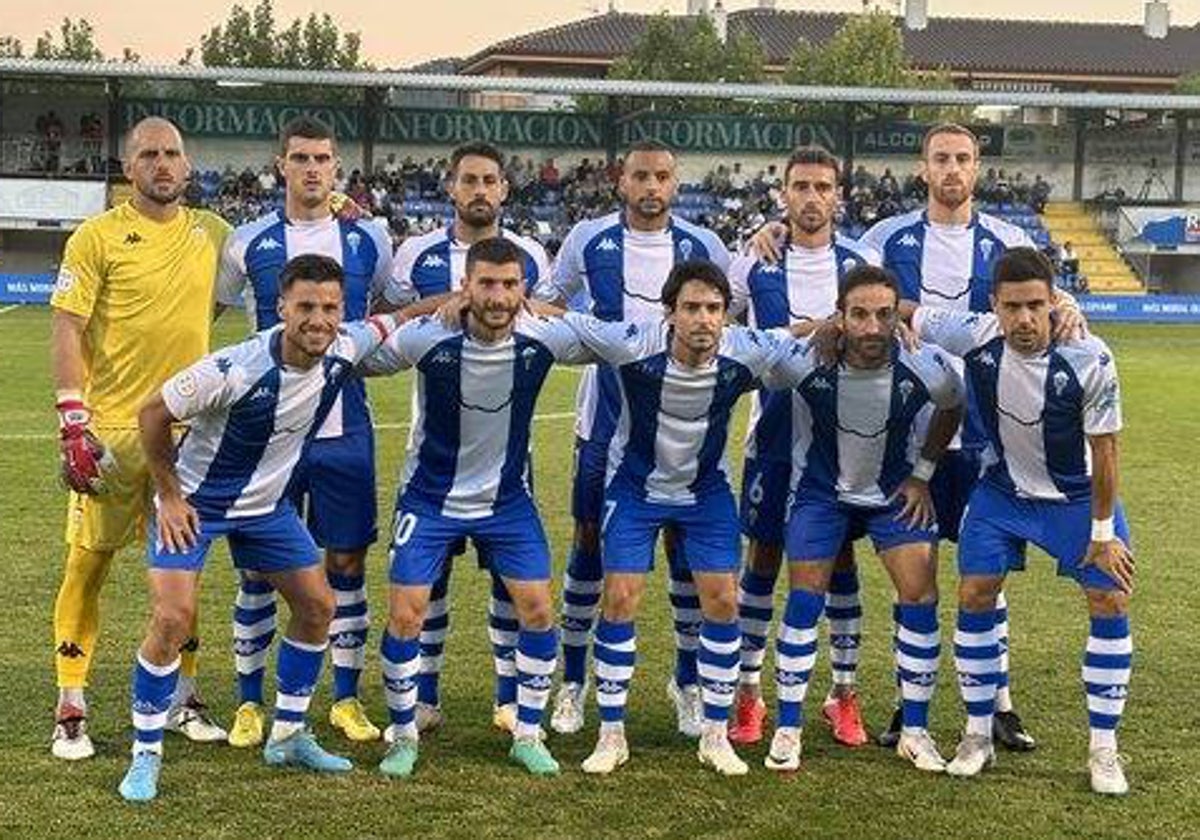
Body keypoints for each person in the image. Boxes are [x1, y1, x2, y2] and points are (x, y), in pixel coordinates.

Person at [756, 123, 1043, 750]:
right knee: (911, 574)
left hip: (983, 431)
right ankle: (901, 711)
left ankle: (998, 703)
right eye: (941, 158)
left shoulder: (1008, 239)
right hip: (899, 435)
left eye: (963, 159)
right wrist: (774, 229)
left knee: (981, 573)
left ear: (978, 168)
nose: (952, 169)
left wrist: (1068, 307)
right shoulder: (883, 240)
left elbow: (1042, 299)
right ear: (923, 168)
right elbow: (825, 256)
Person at [117, 254, 399, 802]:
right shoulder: (235, 368)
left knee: (318, 607)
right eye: (306, 307)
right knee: (172, 618)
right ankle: (145, 752)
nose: (319, 319)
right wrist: (170, 497)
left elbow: (403, 317)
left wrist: (455, 301)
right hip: (196, 505)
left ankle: (288, 736)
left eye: (330, 308)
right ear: (281, 308)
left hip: (266, 509)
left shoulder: (345, 346)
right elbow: (152, 413)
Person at [555, 260, 800, 777]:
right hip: (635, 488)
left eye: (713, 309)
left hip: (705, 492)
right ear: (669, 314)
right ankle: (611, 734)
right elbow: (571, 324)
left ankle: (715, 734)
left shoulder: (743, 350)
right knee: (619, 595)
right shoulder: (634, 344)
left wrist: (836, 326)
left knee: (723, 599)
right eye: (691, 308)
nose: (703, 319)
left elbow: (793, 337)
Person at [362, 237, 590, 778]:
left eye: (510, 285)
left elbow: (608, 337)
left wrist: (553, 310)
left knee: (537, 608)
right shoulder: (430, 337)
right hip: (429, 498)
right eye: (486, 283)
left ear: (523, 290)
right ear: (466, 286)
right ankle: (402, 735)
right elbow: (360, 357)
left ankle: (528, 734)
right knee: (405, 614)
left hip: (507, 501)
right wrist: (415, 311)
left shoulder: (542, 337)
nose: (498, 296)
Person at [912, 247, 1134, 796]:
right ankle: (976, 735)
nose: (1024, 320)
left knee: (1110, 598)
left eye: (1036, 305)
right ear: (994, 305)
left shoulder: (1090, 356)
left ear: (1054, 301)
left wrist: (1103, 535)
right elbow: (905, 310)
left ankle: (1103, 749)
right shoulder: (975, 333)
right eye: (1012, 307)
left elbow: (1106, 451)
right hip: (1002, 492)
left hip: (1074, 498)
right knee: (974, 594)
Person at [532, 140, 732, 741]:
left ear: (676, 183)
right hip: (603, 424)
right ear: (622, 181)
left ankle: (688, 682)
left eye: (663, 176)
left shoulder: (706, 246)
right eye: (641, 175)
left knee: (685, 552)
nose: (652, 186)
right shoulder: (588, 240)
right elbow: (550, 304)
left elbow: (729, 316)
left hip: (683, 430)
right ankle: (573, 680)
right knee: (590, 543)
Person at [48, 116, 230, 760]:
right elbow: (68, 327)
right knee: (88, 563)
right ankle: (72, 703)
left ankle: (183, 697)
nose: (162, 163)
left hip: (189, 437)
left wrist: (340, 203)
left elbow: (279, 248)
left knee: (186, 571)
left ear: (187, 166)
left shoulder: (213, 233)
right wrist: (73, 419)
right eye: (149, 154)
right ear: (130, 169)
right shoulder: (95, 237)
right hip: (116, 436)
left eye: (172, 153)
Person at [216, 115, 395, 747]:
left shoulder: (369, 239)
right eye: (300, 158)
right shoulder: (247, 242)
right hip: (265, 439)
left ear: (336, 165)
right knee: (260, 571)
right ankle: (247, 702)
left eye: (323, 158)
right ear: (280, 165)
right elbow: (210, 309)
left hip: (346, 428)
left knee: (346, 561)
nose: (312, 168)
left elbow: (385, 312)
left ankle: (345, 699)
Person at [760, 265, 965, 773]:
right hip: (821, 494)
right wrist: (812, 329)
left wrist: (923, 472)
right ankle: (788, 728)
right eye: (859, 315)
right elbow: (752, 346)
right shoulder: (807, 360)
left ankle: (914, 731)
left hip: (896, 493)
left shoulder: (923, 361)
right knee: (804, 598)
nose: (872, 327)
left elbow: (953, 403)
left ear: (898, 316)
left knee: (920, 593)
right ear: (841, 316)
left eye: (883, 315)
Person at [377, 141, 551, 736]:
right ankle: (423, 699)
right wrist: (446, 303)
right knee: (431, 583)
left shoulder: (529, 253)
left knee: (513, 583)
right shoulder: (416, 253)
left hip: (508, 461)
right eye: (469, 180)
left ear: (505, 190)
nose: (480, 190)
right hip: (432, 450)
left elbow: (548, 315)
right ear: (451, 187)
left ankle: (510, 700)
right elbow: (397, 324)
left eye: (490, 181)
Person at [725, 146, 880, 748]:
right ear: (782, 193)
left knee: (839, 561)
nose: (811, 197)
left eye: (822, 187)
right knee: (761, 559)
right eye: (800, 187)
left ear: (838, 195)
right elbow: (725, 331)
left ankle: (843, 695)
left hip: (843, 441)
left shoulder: (860, 260)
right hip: (772, 435)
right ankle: (748, 694)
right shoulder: (754, 262)